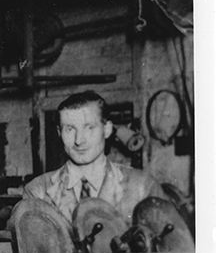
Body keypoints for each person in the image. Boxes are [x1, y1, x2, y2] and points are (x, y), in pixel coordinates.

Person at [22, 91, 164, 224]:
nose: (79, 140)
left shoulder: (142, 187)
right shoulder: (37, 192)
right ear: (59, 133)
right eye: (69, 129)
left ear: (107, 129)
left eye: (89, 127)